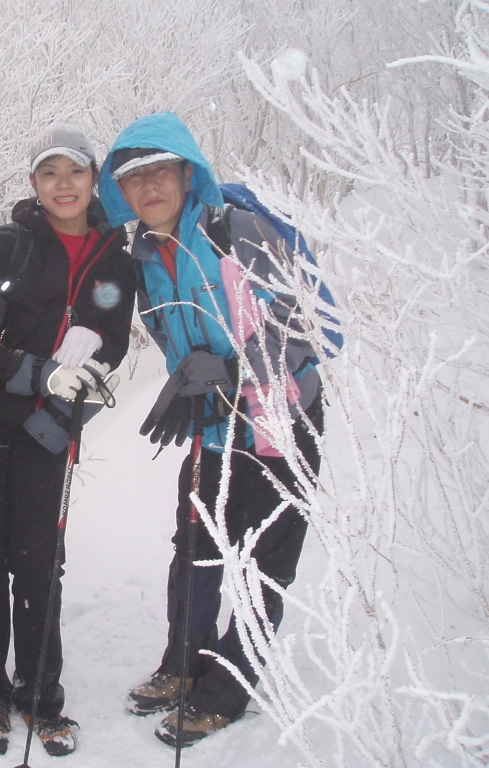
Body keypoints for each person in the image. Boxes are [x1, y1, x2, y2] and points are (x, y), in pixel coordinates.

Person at [98, 112, 325, 748]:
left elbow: (318, 322)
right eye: (134, 178)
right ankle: (183, 663)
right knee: (194, 551)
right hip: (212, 427)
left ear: (187, 172)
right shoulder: (143, 256)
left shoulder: (239, 231)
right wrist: (194, 384)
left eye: (160, 171)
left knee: (262, 566)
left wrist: (231, 367)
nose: (149, 187)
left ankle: (226, 688)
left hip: (282, 424)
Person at [0, 123, 135, 757]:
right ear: (33, 183)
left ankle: (40, 694)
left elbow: (113, 331)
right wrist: (37, 369)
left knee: (37, 558)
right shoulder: (7, 245)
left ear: (93, 180)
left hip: (51, 422)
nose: (63, 185)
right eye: (49, 173)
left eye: (75, 172)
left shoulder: (115, 255)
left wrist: (93, 349)